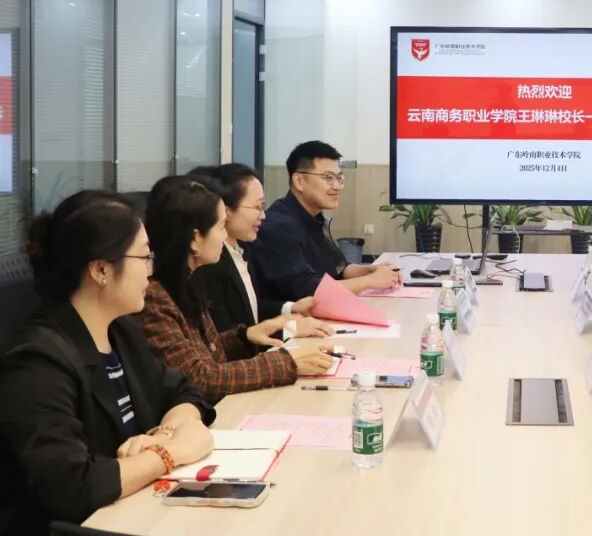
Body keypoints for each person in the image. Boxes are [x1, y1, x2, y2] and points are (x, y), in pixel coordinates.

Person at [0, 191, 215, 533]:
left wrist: (166, 433)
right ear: (101, 269)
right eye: (144, 257)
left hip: (137, 514)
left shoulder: (121, 331)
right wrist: (170, 453)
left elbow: (183, 391)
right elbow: (71, 486)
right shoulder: (37, 363)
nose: (150, 271)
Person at [136, 176, 335, 404]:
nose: (224, 236)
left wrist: (246, 336)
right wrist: (286, 361)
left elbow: (208, 350)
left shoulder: (190, 280)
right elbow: (199, 379)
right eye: (221, 227)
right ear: (194, 239)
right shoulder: (155, 299)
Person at [246, 140, 401, 310]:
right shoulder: (278, 226)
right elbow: (308, 291)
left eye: (339, 178)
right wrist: (370, 281)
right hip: (294, 322)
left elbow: (340, 269)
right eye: (328, 178)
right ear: (299, 181)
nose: (337, 186)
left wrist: (372, 270)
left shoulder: (315, 217)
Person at [188, 164, 332, 338]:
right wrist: (289, 329)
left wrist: (290, 308)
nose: (263, 215)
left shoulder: (243, 248)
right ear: (226, 211)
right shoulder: (210, 261)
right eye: (257, 207)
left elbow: (249, 308)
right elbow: (226, 336)